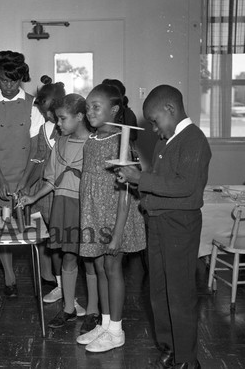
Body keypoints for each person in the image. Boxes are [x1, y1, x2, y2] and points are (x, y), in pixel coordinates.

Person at [116, 85, 211, 368]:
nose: (155, 129)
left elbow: (186, 187)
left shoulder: (194, 140)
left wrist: (141, 179)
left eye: (155, 121)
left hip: (180, 226)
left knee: (179, 294)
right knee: (158, 291)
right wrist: (136, 184)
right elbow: (160, 185)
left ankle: (187, 359)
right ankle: (169, 347)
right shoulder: (165, 141)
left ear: (170, 109)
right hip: (157, 223)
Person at [76, 84, 146, 352]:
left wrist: (118, 232)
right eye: (88, 106)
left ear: (114, 110)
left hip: (116, 217)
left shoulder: (121, 142)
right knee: (103, 268)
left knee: (113, 269)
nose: (89, 111)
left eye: (96, 107)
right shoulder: (92, 140)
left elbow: (125, 191)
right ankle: (105, 324)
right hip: (95, 215)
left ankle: (116, 330)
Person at [21, 94, 95, 330]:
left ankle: (93, 311)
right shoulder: (60, 143)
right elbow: (51, 180)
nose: (58, 124)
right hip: (63, 206)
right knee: (68, 257)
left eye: (62, 119)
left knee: (91, 260)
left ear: (80, 116)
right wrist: (33, 197)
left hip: (87, 207)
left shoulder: (94, 144)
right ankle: (68, 309)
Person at [0, 50, 44, 297]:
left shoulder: (33, 104)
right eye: (4, 80)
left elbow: (37, 147)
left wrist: (26, 182)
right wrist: (1, 180)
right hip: (1, 177)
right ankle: (9, 277)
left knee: (33, 229)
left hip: (28, 175)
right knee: (1, 231)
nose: (8, 85)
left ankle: (43, 275)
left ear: (21, 79)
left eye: (14, 81)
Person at [22, 75, 65, 298]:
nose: (48, 117)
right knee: (46, 237)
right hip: (43, 191)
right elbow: (38, 160)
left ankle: (65, 285)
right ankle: (57, 284)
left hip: (61, 191)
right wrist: (25, 185)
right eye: (45, 113)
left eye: (51, 112)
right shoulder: (44, 129)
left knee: (60, 241)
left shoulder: (68, 130)